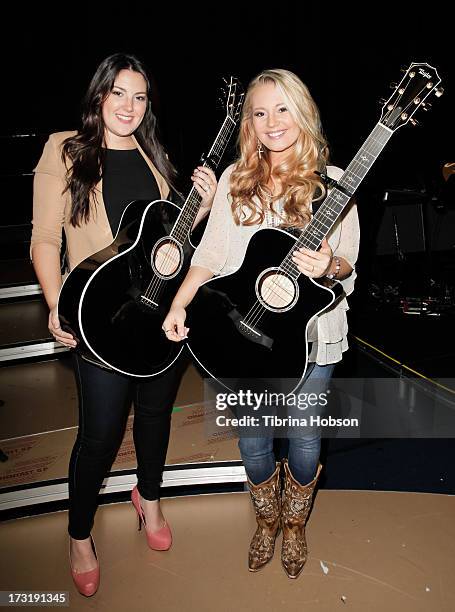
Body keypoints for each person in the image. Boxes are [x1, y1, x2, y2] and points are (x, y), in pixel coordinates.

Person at [31, 53, 217, 597]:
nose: (129, 107)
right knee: (99, 438)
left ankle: (149, 500)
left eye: (139, 97)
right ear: (98, 96)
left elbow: (165, 240)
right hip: (97, 320)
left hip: (157, 319)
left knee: (156, 418)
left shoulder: (152, 154)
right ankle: (80, 535)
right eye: (118, 93)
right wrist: (54, 303)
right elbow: (45, 239)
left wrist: (199, 209)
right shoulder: (64, 149)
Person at [163, 69, 360, 579]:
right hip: (242, 335)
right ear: (248, 122)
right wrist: (180, 302)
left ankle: (294, 525)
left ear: (303, 111)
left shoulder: (334, 184)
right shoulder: (235, 179)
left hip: (312, 340)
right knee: (252, 444)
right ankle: (267, 518)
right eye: (259, 112)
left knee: (305, 440)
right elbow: (210, 254)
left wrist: (329, 266)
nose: (272, 122)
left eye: (282, 108)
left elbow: (349, 265)